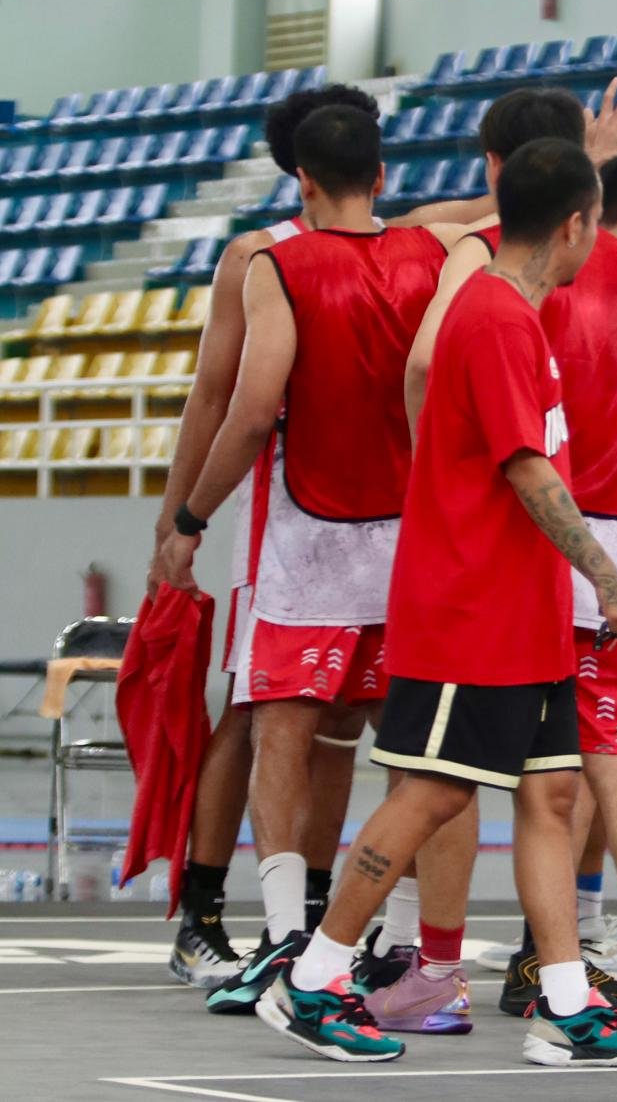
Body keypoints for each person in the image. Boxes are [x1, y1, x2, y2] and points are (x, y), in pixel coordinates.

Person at [256, 136, 617, 1068]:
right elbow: (526, 468)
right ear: (575, 225)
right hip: (471, 615)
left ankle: (567, 1008)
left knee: (551, 790)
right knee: (433, 792)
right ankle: (315, 978)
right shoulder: (492, 318)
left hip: (526, 614)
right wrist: (609, 579)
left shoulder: (518, 314)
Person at [149, 83, 458, 991]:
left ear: (300, 174)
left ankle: (310, 920)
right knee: (263, 713)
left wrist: (179, 521)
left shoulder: (387, 242)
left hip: (336, 520)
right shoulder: (270, 254)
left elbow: (227, 405)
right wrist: (183, 518)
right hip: (314, 523)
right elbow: (218, 399)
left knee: (326, 723)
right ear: (377, 165)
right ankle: (208, 912)